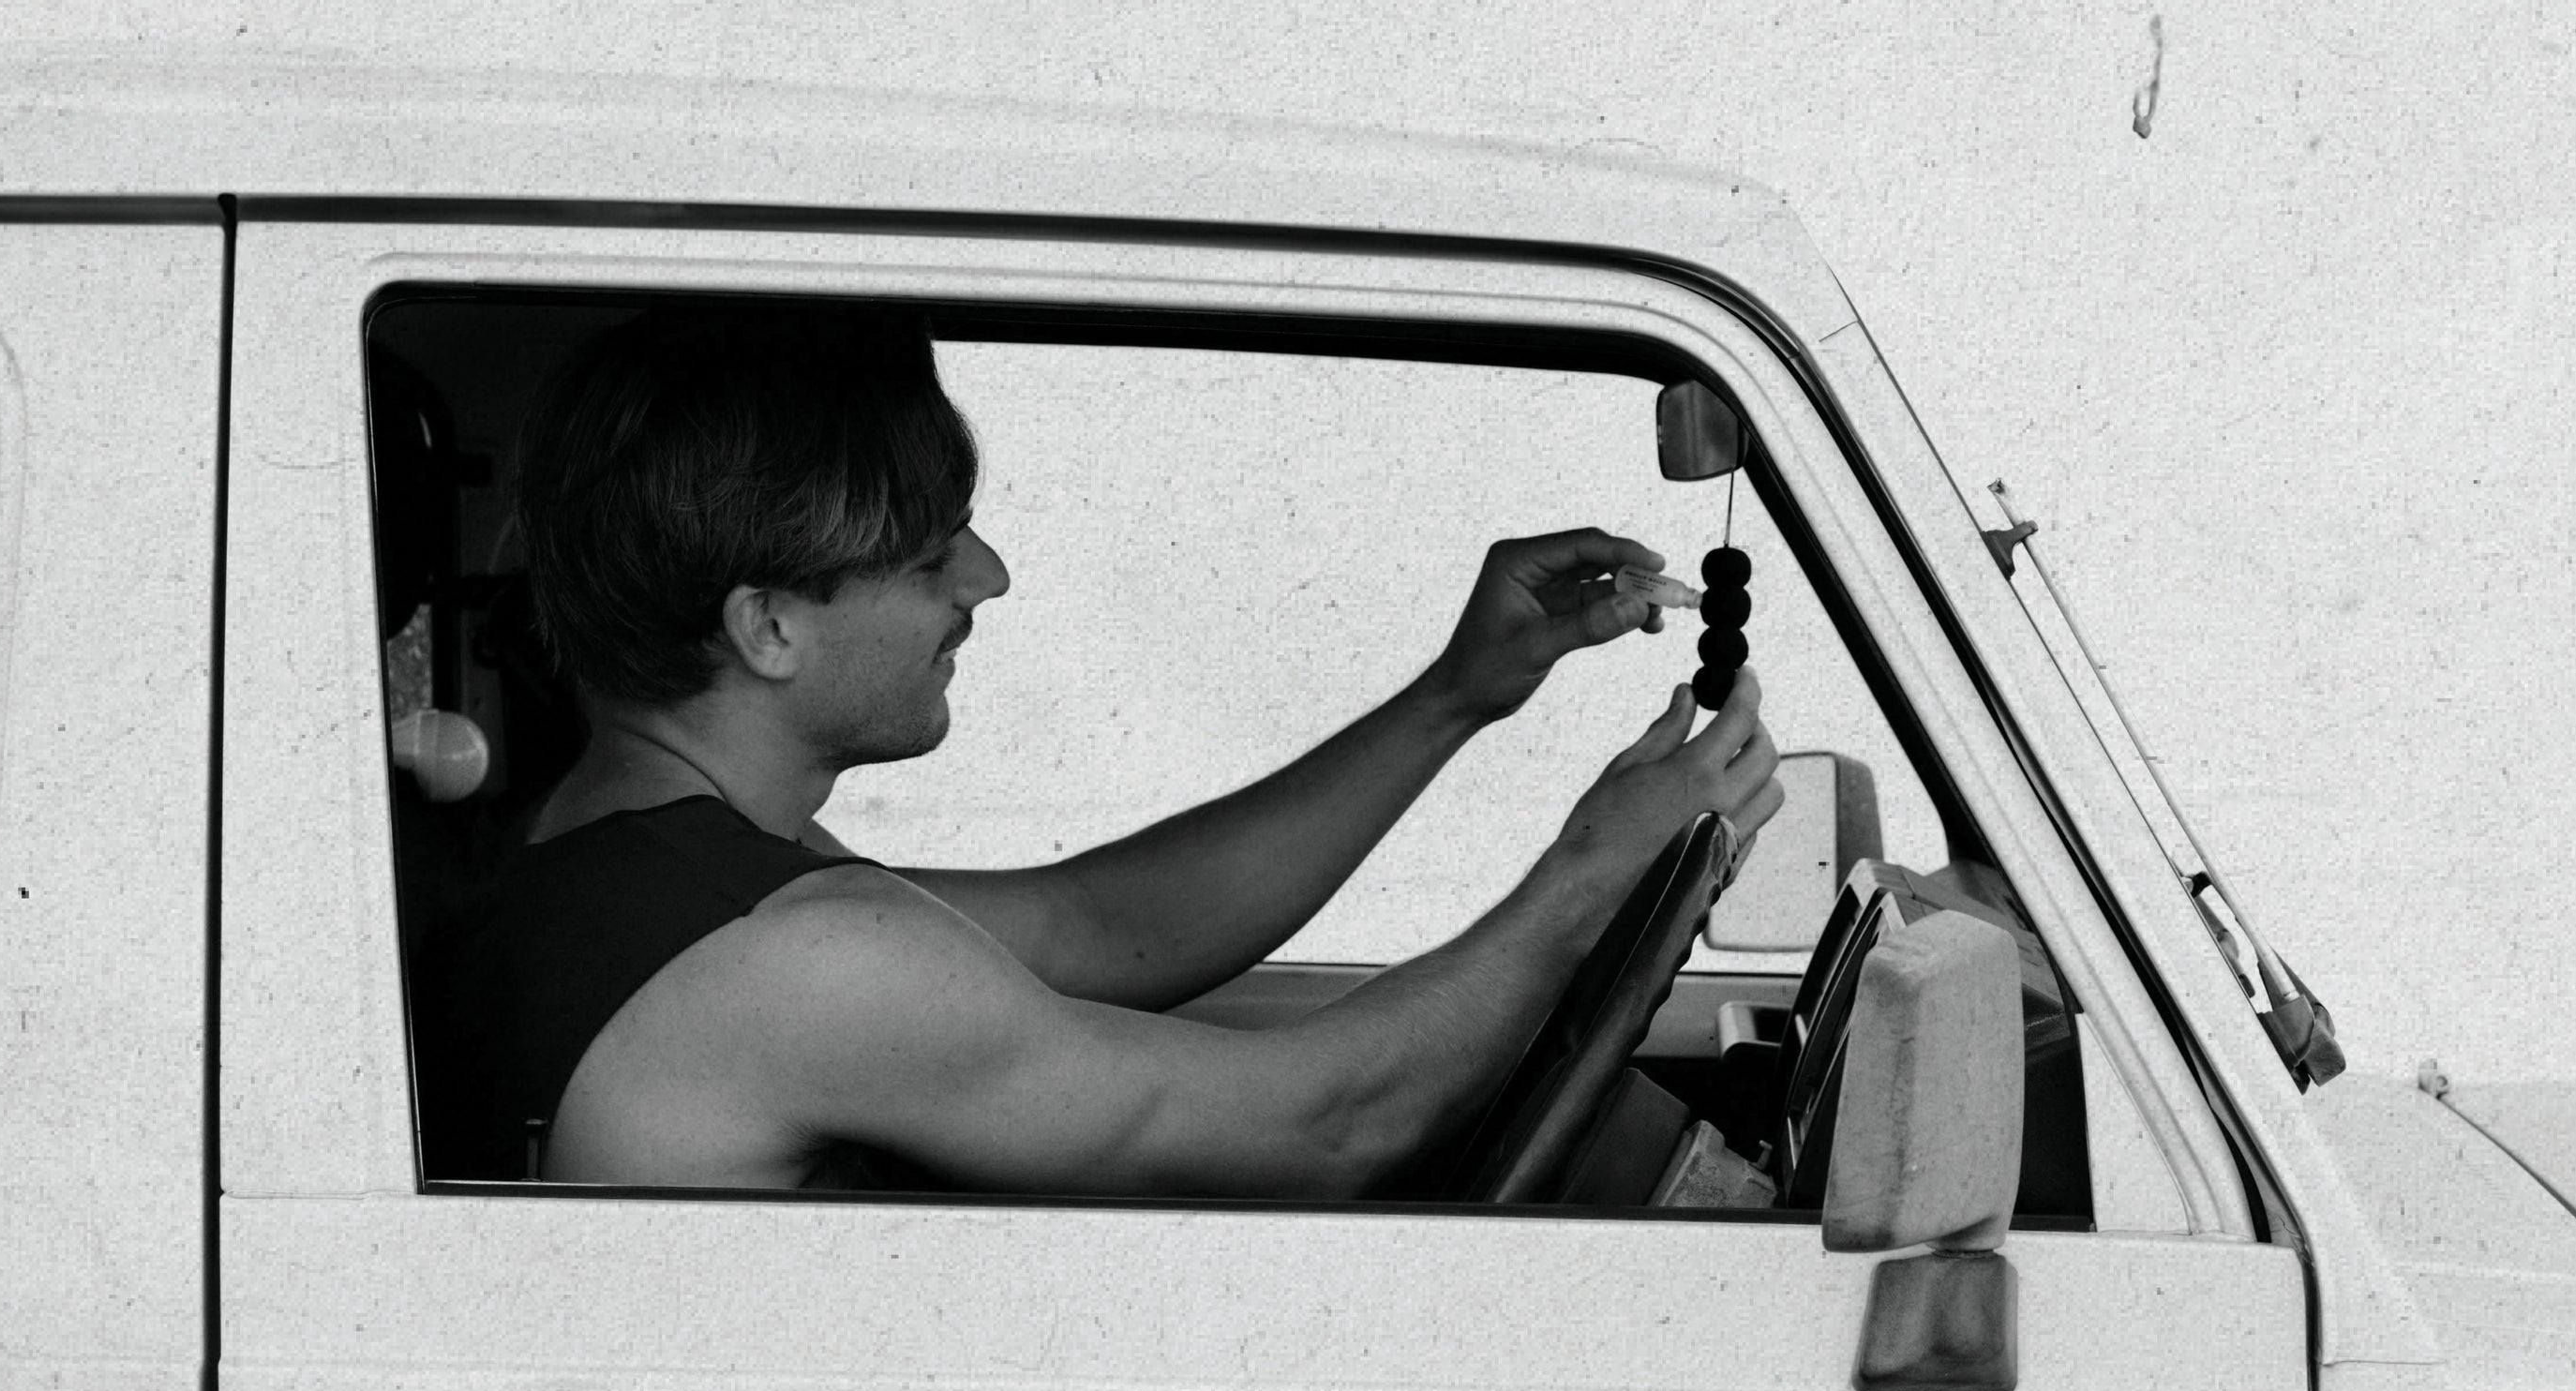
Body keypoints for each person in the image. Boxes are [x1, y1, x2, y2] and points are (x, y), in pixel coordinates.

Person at [415, 304, 1783, 1195]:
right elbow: (1328, 1124)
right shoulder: (793, 959)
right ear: (768, 625)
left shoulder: (617, 861)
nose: (988, 578)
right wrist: (1590, 875)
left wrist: (1456, 696)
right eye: (931, 553)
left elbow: (1099, 923)